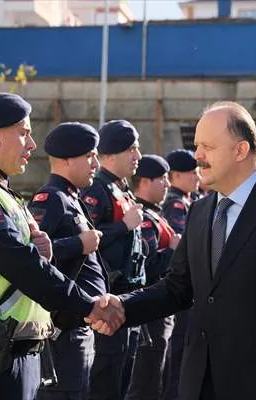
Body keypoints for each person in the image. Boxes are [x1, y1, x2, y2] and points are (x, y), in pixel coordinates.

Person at [88, 101, 256, 400]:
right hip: (199, 384)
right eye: (196, 146)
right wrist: (124, 306)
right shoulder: (201, 211)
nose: (197, 156)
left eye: (207, 147)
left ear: (241, 150)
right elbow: (178, 287)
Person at [0, 94, 123, 400]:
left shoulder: (3, 193)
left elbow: (31, 259)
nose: (32, 144)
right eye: (24, 133)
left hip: (22, 349)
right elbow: (22, 264)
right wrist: (87, 305)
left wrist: (46, 252)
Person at [28, 122, 109, 400]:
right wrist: (79, 244)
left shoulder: (72, 199)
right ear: (65, 159)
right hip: (63, 334)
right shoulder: (51, 198)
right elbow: (30, 255)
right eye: (89, 156)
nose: (95, 163)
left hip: (80, 328)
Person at [79, 119, 145, 400]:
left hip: (128, 297)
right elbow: (87, 239)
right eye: (131, 149)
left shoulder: (122, 188)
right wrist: (123, 226)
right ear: (110, 154)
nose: (137, 156)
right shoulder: (97, 189)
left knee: (123, 377)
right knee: (105, 379)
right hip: (108, 300)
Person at [125, 155, 180, 400]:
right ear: (145, 182)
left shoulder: (156, 215)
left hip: (161, 311)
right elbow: (147, 266)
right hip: (151, 312)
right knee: (145, 382)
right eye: (162, 179)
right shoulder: (145, 220)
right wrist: (173, 251)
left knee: (156, 379)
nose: (167, 184)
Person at [160, 149, 200, 400]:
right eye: (192, 173)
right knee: (176, 360)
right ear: (175, 176)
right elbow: (185, 244)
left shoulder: (187, 200)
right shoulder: (175, 204)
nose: (197, 177)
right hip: (178, 287)